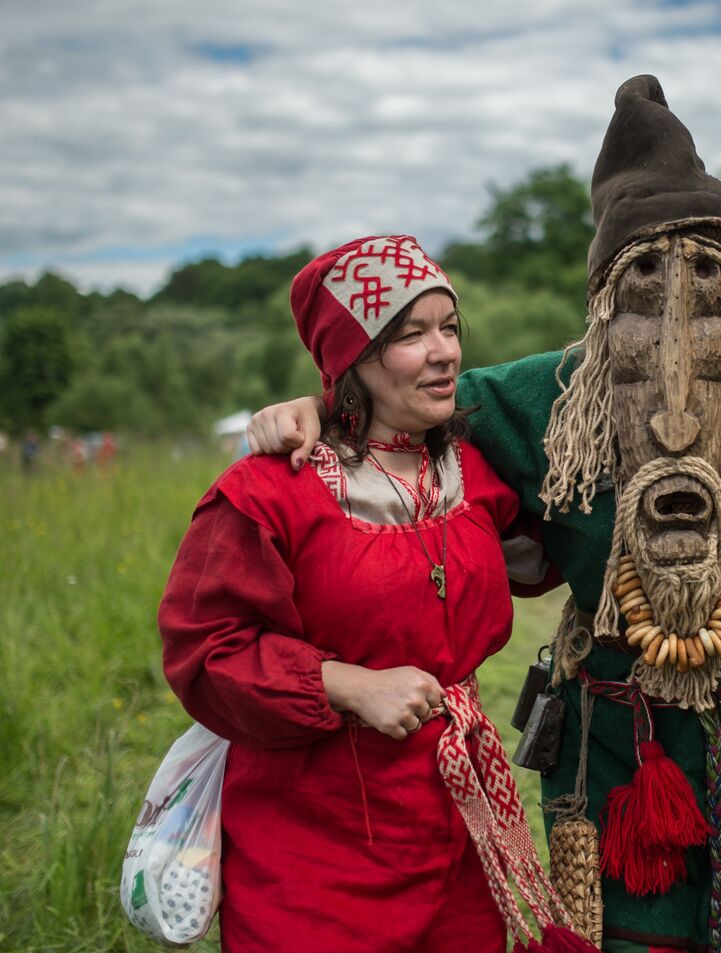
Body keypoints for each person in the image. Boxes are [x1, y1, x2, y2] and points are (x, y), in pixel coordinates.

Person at [246, 78, 721, 953]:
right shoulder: (547, 393)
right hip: (618, 740)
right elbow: (402, 404)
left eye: (705, 275)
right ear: (601, 300)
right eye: (642, 283)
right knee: (627, 937)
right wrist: (314, 403)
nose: (674, 312)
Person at [159, 236, 581, 951]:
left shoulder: (469, 470)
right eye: (411, 334)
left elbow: (550, 544)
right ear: (352, 359)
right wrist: (343, 683)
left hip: (457, 833)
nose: (444, 350)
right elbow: (206, 652)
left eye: (449, 326)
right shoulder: (268, 490)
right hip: (314, 847)